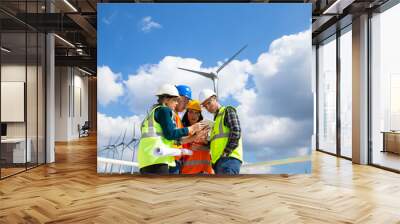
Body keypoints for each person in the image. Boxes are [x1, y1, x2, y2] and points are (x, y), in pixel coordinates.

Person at [137, 84, 205, 174]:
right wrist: (190, 128)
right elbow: (170, 134)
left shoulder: (152, 113)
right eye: (174, 100)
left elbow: (171, 139)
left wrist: (193, 137)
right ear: (166, 100)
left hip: (146, 159)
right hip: (157, 158)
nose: (176, 103)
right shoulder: (164, 110)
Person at [199, 89, 243, 175]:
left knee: (227, 188)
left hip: (229, 160)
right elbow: (217, 142)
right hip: (219, 162)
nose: (207, 107)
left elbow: (236, 131)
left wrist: (226, 153)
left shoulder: (227, 111)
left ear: (215, 98)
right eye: (205, 106)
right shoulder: (215, 121)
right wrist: (206, 142)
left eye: (208, 103)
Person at [181, 100, 213, 174]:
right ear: (187, 113)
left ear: (199, 115)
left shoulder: (206, 128)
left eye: (197, 113)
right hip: (188, 172)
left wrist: (205, 144)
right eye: (191, 112)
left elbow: (214, 147)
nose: (194, 115)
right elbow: (178, 146)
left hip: (206, 171)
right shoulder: (182, 130)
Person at [169, 84, 192, 174]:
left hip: (175, 160)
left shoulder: (177, 117)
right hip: (169, 159)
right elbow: (174, 137)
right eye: (185, 102)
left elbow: (178, 140)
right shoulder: (170, 114)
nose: (186, 106)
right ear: (178, 98)